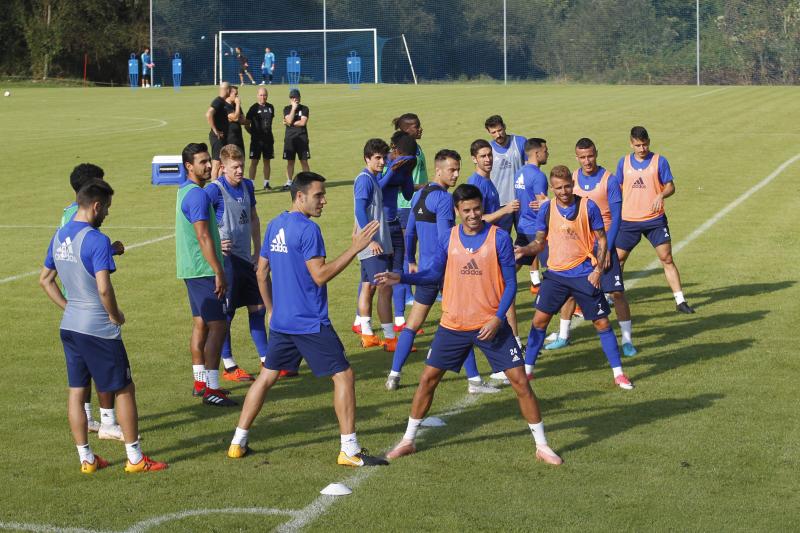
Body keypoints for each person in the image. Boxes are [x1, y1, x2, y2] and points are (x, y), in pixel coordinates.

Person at [376, 184, 562, 466]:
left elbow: (511, 283)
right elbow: (432, 274)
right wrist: (401, 278)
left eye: (477, 209)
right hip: (453, 325)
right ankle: (408, 441)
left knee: (520, 382)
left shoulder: (498, 238)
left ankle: (542, 445)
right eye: (467, 210)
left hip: (491, 325)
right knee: (428, 380)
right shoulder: (448, 238)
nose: (473, 214)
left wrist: (498, 318)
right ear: (457, 211)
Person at [227, 172, 388, 468]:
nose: (324, 201)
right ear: (300, 197)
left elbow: (261, 272)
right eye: (319, 195)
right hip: (310, 322)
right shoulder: (308, 230)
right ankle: (349, 449)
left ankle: (238, 441)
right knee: (344, 376)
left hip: (282, 322)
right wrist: (354, 248)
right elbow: (320, 275)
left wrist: (272, 309)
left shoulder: (275, 224)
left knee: (266, 377)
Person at [40, 179, 167, 474]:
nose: (107, 214)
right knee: (124, 388)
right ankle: (135, 458)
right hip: (98, 329)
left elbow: (45, 280)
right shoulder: (96, 239)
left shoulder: (59, 236)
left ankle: (86, 458)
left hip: (70, 327)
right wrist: (115, 315)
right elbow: (103, 289)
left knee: (76, 391)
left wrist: (69, 307)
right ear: (96, 206)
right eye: (107, 208)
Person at [385, 150, 499, 395]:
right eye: (452, 170)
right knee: (463, 325)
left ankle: (394, 375)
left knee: (412, 324)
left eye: (458, 169)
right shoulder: (445, 200)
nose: (456, 174)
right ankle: (475, 382)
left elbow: (411, 232)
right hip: (446, 271)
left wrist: (409, 259)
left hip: (425, 271)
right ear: (439, 170)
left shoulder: (418, 195)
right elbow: (446, 238)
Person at [515, 165, 634, 390]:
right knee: (539, 321)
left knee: (601, 322)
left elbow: (601, 239)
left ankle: (618, 373)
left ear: (573, 183)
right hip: (555, 276)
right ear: (552, 188)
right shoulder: (547, 209)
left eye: (567, 186)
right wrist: (525, 250)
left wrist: (598, 270)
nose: (564, 191)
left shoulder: (588, 206)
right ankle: (528, 372)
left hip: (582, 274)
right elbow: (540, 241)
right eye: (558, 188)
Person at [545, 138, 637, 356]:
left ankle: (627, 340)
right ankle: (564, 336)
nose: (587, 161)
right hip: (577, 248)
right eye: (582, 157)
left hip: (603, 244)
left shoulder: (609, 180)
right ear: (577, 157)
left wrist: (606, 251)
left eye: (590, 156)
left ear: (596, 153)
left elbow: (616, 218)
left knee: (616, 292)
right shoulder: (571, 178)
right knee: (570, 293)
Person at [60, 164, 127, 441]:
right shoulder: (83, 224)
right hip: (89, 307)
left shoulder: (68, 218)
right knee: (114, 378)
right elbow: (88, 258)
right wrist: (116, 315)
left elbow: (49, 274)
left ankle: (87, 439)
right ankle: (111, 424)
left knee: (78, 382)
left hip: (73, 312)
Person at [176, 142, 236, 407]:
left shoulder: (185, 191)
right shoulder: (198, 196)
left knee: (201, 323)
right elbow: (203, 235)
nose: (209, 165)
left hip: (191, 268)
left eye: (208, 161)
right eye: (202, 162)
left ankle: (200, 381)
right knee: (218, 325)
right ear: (189, 166)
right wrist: (218, 270)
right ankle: (212, 388)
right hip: (203, 269)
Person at [206, 144, 269, 382]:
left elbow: (253, 217)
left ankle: (266, 359)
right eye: (235, 167)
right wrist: (214, 242)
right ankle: (230, 366)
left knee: (258, 308)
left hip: (246, 258)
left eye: (241, 165)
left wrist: (258, 249)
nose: (240, 170)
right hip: (226, 261)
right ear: (222, 168)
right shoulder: (213, 191)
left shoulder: (248, 186)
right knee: (227, 314)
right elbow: (197, 223)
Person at [615, 126, 695, 314]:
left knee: (666, 258)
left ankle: (680, 300)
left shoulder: (659, 161)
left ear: (649, 141)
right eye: (637, 145)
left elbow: (671, 186)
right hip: (629, 220)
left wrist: (661, 195)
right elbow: (617, 188)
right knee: (618, 259)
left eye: (644, 144)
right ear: (631, 143)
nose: (642, 148)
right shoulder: (624, 162)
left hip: (655, 220)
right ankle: (613, 295)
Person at [353, 139, 402, 350]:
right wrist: (370, 240)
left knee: (368, 286)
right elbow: (359, 209)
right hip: (374, 244)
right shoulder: (364, 180)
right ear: (367, 159)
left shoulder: (372, 178)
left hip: (372, 243)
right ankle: (391, 339)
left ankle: (367, 334)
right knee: (384, 288)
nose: (382, 161)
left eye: (384, 157)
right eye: (377, 158)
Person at [393, 113, 428, 326]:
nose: (420, 128)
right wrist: (420, 187)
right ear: (406, 130)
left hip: (415, 203)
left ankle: (410, 291)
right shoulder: (404, 152)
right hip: (405, 206)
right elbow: (397, 181)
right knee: (407, 250)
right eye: (415, 126)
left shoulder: (416, 146)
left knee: (412, 249)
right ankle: (406, 293)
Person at [484, 115, 527, 226]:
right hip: (500, 205)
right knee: (501, 238)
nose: (498, 135)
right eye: (493, 132)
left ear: (504, 127)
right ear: (489, 132)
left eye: (500, 130)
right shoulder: (487, 150)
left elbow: (529, 170)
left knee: (525, 239)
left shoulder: (520, 142)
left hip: (520, 201)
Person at [245, 87, 275, 189]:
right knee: (254, 162)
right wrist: (253, 133)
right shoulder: (253, 108)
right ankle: (251, 184)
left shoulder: (271, 107)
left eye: (265, 95)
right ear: (257, 96)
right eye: (261, 95)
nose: (263, 97)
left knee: (267, 161)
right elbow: (246, 124)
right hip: (256, 141)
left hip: (268, 140)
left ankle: (266, 183)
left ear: (267, 96)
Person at [281, 89, 310, 191]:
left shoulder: (305, 108)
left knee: (304, 161)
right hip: (290, 139)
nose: (295, 99)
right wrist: (293, 109)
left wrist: (290, 122)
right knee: (290, 162)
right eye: (293, 98)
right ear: (290, 99)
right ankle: (289, 182)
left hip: (302, 138)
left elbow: (302, 122)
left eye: (297, 97)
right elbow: (288, 120)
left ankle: (307, 181)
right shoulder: (286, 109)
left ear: (300, 98)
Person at [206, 82, 231, 180]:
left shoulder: (223, 102)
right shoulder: (218, 101)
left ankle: (220, 186)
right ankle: (214, 188)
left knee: (221, 163)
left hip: (222, 137)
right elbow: (209, 114)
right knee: (216, 164)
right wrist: (215, 130)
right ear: (227, 90)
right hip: (217, 137)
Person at [224, 85, 246, 159]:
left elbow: (243, 120)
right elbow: (236, 118)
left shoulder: (236, 106)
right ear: (229, 94)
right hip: (229, 139)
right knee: (232, 161)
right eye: (235, 94)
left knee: (241, 160)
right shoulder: (225, 106)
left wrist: (235, 115)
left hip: (239, 138)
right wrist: (238, 104)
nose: (237, 96)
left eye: (237, 94)